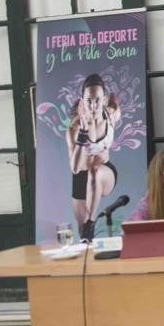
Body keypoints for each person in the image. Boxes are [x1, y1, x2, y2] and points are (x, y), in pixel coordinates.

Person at [67, 74, 120, 241]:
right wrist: (83, 134)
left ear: (103, 99)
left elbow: (115, 103)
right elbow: (75, 168)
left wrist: (113, 103)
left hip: (104, 172)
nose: (93, 105)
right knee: (83, 235)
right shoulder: (75, 129)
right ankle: (86, 229)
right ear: (82, 101)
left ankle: (91, 222)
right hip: (81, 177)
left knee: (95, 172)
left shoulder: (111, 114)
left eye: (97, 100)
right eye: (89, 100)